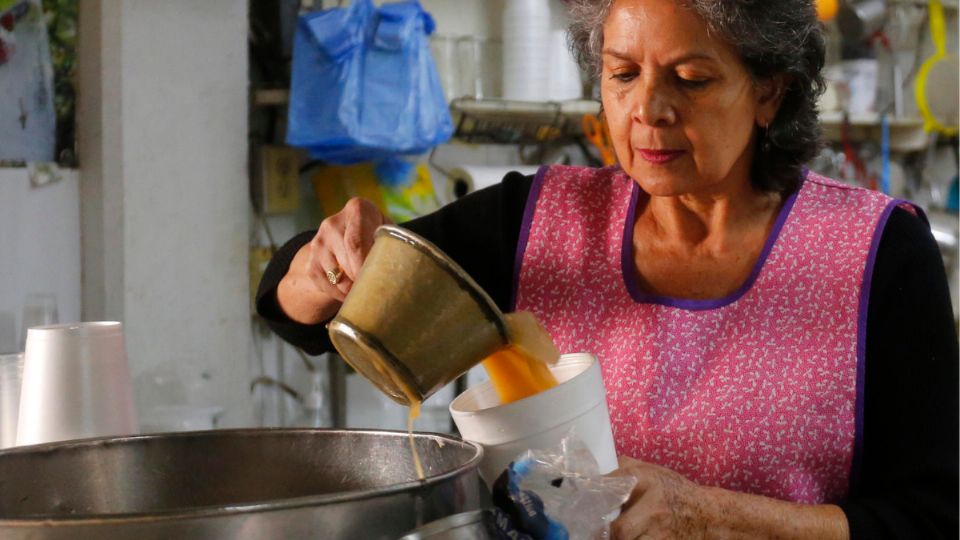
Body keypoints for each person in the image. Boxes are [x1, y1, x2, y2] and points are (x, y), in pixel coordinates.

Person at [257, 0, 958, 537]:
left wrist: (711, 517)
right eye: (622, 74)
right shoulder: (534, 221)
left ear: (770, 90)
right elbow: (300, 309)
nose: (647, 110)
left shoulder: (872, 253)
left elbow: (933, 514)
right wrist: (321, 271)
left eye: (691, 78)